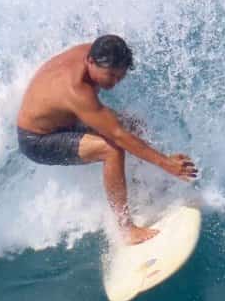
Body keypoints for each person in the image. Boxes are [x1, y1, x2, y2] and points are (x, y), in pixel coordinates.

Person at [16, 35, 198, 245]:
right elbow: (118, 136)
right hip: (38, 139)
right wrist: (166, 163)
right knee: (111, 149)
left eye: (119, 77)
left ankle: (150, 186)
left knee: (134, 124)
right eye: (110, 76)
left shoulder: (94, 52)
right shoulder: (76, 91)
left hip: (66, 117)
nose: (113, 83)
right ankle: (126, 229)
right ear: (90, 61)